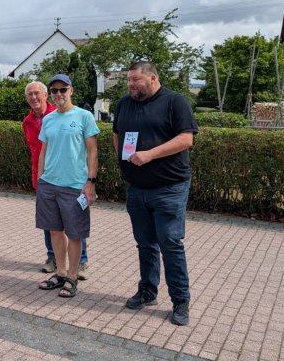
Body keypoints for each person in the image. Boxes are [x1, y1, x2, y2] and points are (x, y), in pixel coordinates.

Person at [112, 61, 197, 326]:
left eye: (136, 80)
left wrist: (149, 154)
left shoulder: (175, 102)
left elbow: (186, 139)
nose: (131, 85)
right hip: (136, 188)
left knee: (170, 243)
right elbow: (116, 134)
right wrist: (121, 160)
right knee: (145, 243)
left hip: (169, 187)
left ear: (153, 78)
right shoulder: (125, 103)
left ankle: (180, 300)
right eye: (128, 80)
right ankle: (147, 292)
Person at [36, 74, 99, 299]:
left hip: (74, 186)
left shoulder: (84, 116)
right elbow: (44, 149)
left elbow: (92, 150)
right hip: (49, 184)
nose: (59, 94)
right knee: (54, 230)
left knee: (75, 234)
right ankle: (61, 273)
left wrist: (90, 182)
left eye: (63, 89)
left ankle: (73, 277)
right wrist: (40, 178)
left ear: (71, 90)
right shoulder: (49, 119)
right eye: (55, 90)